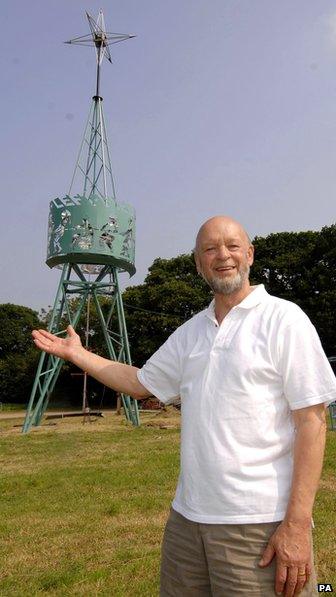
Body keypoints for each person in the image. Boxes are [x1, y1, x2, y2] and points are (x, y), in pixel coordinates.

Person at [32, 216, 336, 596]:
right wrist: (78, 354)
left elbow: (312, 421)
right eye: (210, 249)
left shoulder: (284, 320)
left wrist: (296, 524)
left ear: (250, 255)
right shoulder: (191, 331)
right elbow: (139, 382)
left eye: (232, 246)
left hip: (258, 524)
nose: (222, 255)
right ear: (198, 263)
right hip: (187, 523)